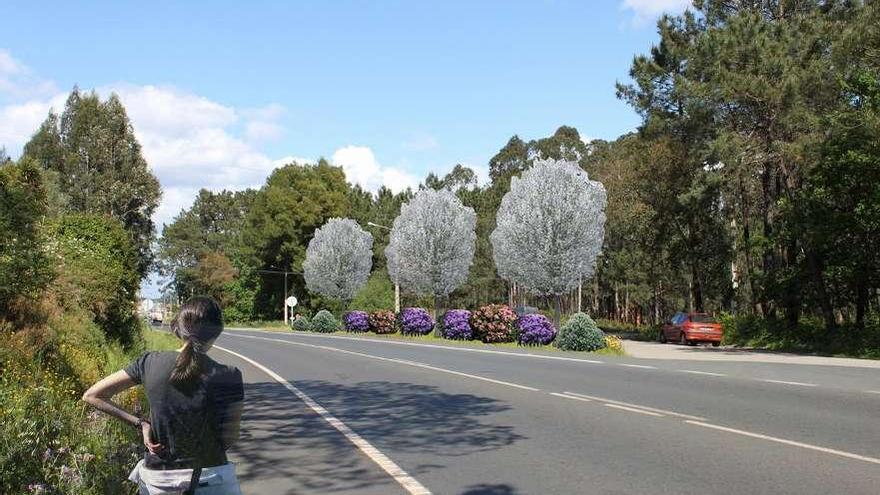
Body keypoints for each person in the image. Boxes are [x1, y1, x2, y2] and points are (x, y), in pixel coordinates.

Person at [83, 296, 244, 495]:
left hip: (158, 482)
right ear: (216, 333)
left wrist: (140, 423)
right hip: (212, 479)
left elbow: (93, 395)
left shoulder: (149, 362)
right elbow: (230, 437)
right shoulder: (230, 375)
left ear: (178, 329)